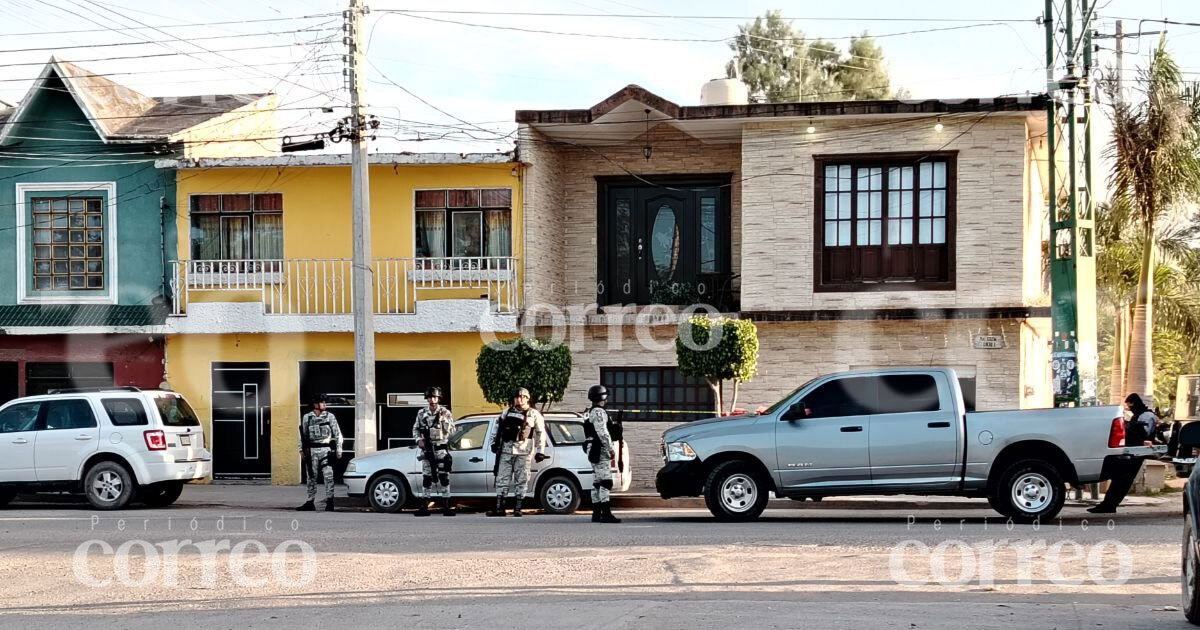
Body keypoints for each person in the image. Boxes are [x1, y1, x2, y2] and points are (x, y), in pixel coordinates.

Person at [1088, 393, 1159, 514]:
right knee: (1121, 479)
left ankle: (1109, 505)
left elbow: (1144, 434)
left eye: (1130, 404)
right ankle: (1108, 505)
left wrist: (1138, 438)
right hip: (1131, 451)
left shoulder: (1147, 416)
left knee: (1123, 480)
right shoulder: (1138, 415)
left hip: (1137, 452)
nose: (1130, 407)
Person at [487, 387, 547, 517]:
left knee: (522, 479)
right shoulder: (506, 413)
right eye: (516, 397)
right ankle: (500, 507)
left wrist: (540, 450)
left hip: (524, 451)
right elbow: (496, 429)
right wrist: (493, 443)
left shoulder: (534, 414)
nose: (518, 399)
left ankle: (518, 507)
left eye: (521, 397)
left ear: (527, 398)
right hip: (506, 451)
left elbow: (540, 433)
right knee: (502, 478)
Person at [413, 386, 456, 517]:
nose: (432, 400)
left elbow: (453, 431)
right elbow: (415, 429)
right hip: (427, 449)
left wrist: (443, 420)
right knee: (427, 477)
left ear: (438, 398)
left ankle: (446, 506)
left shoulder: (445, 412)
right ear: (427, 399)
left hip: (441, 448)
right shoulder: (421, 413)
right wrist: (418, 440)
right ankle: (425, 505)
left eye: (434, 397)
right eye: (430, 397)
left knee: (444, 477)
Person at [297, 394, 342, 512]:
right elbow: (303, 435)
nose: (325, 404)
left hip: (325, 449)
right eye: (322, 402)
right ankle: (310, 501)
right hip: (311, 450)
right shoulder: (308, 417)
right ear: (315, 404)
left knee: (328, 475)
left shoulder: (329, 416)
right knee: (311, 476)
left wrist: (338, 448)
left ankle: (330, 500)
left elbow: (337, 433)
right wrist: (301, 450)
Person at [584, 384, 621, 524]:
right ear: (603, 397)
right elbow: (602, 432)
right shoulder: (598, 412)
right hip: (599, 448)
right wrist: (610, 448)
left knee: (597, 482)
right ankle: (606, 514)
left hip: (592, 447)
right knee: (606, 481)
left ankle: (596, 513)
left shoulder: (588, 411)